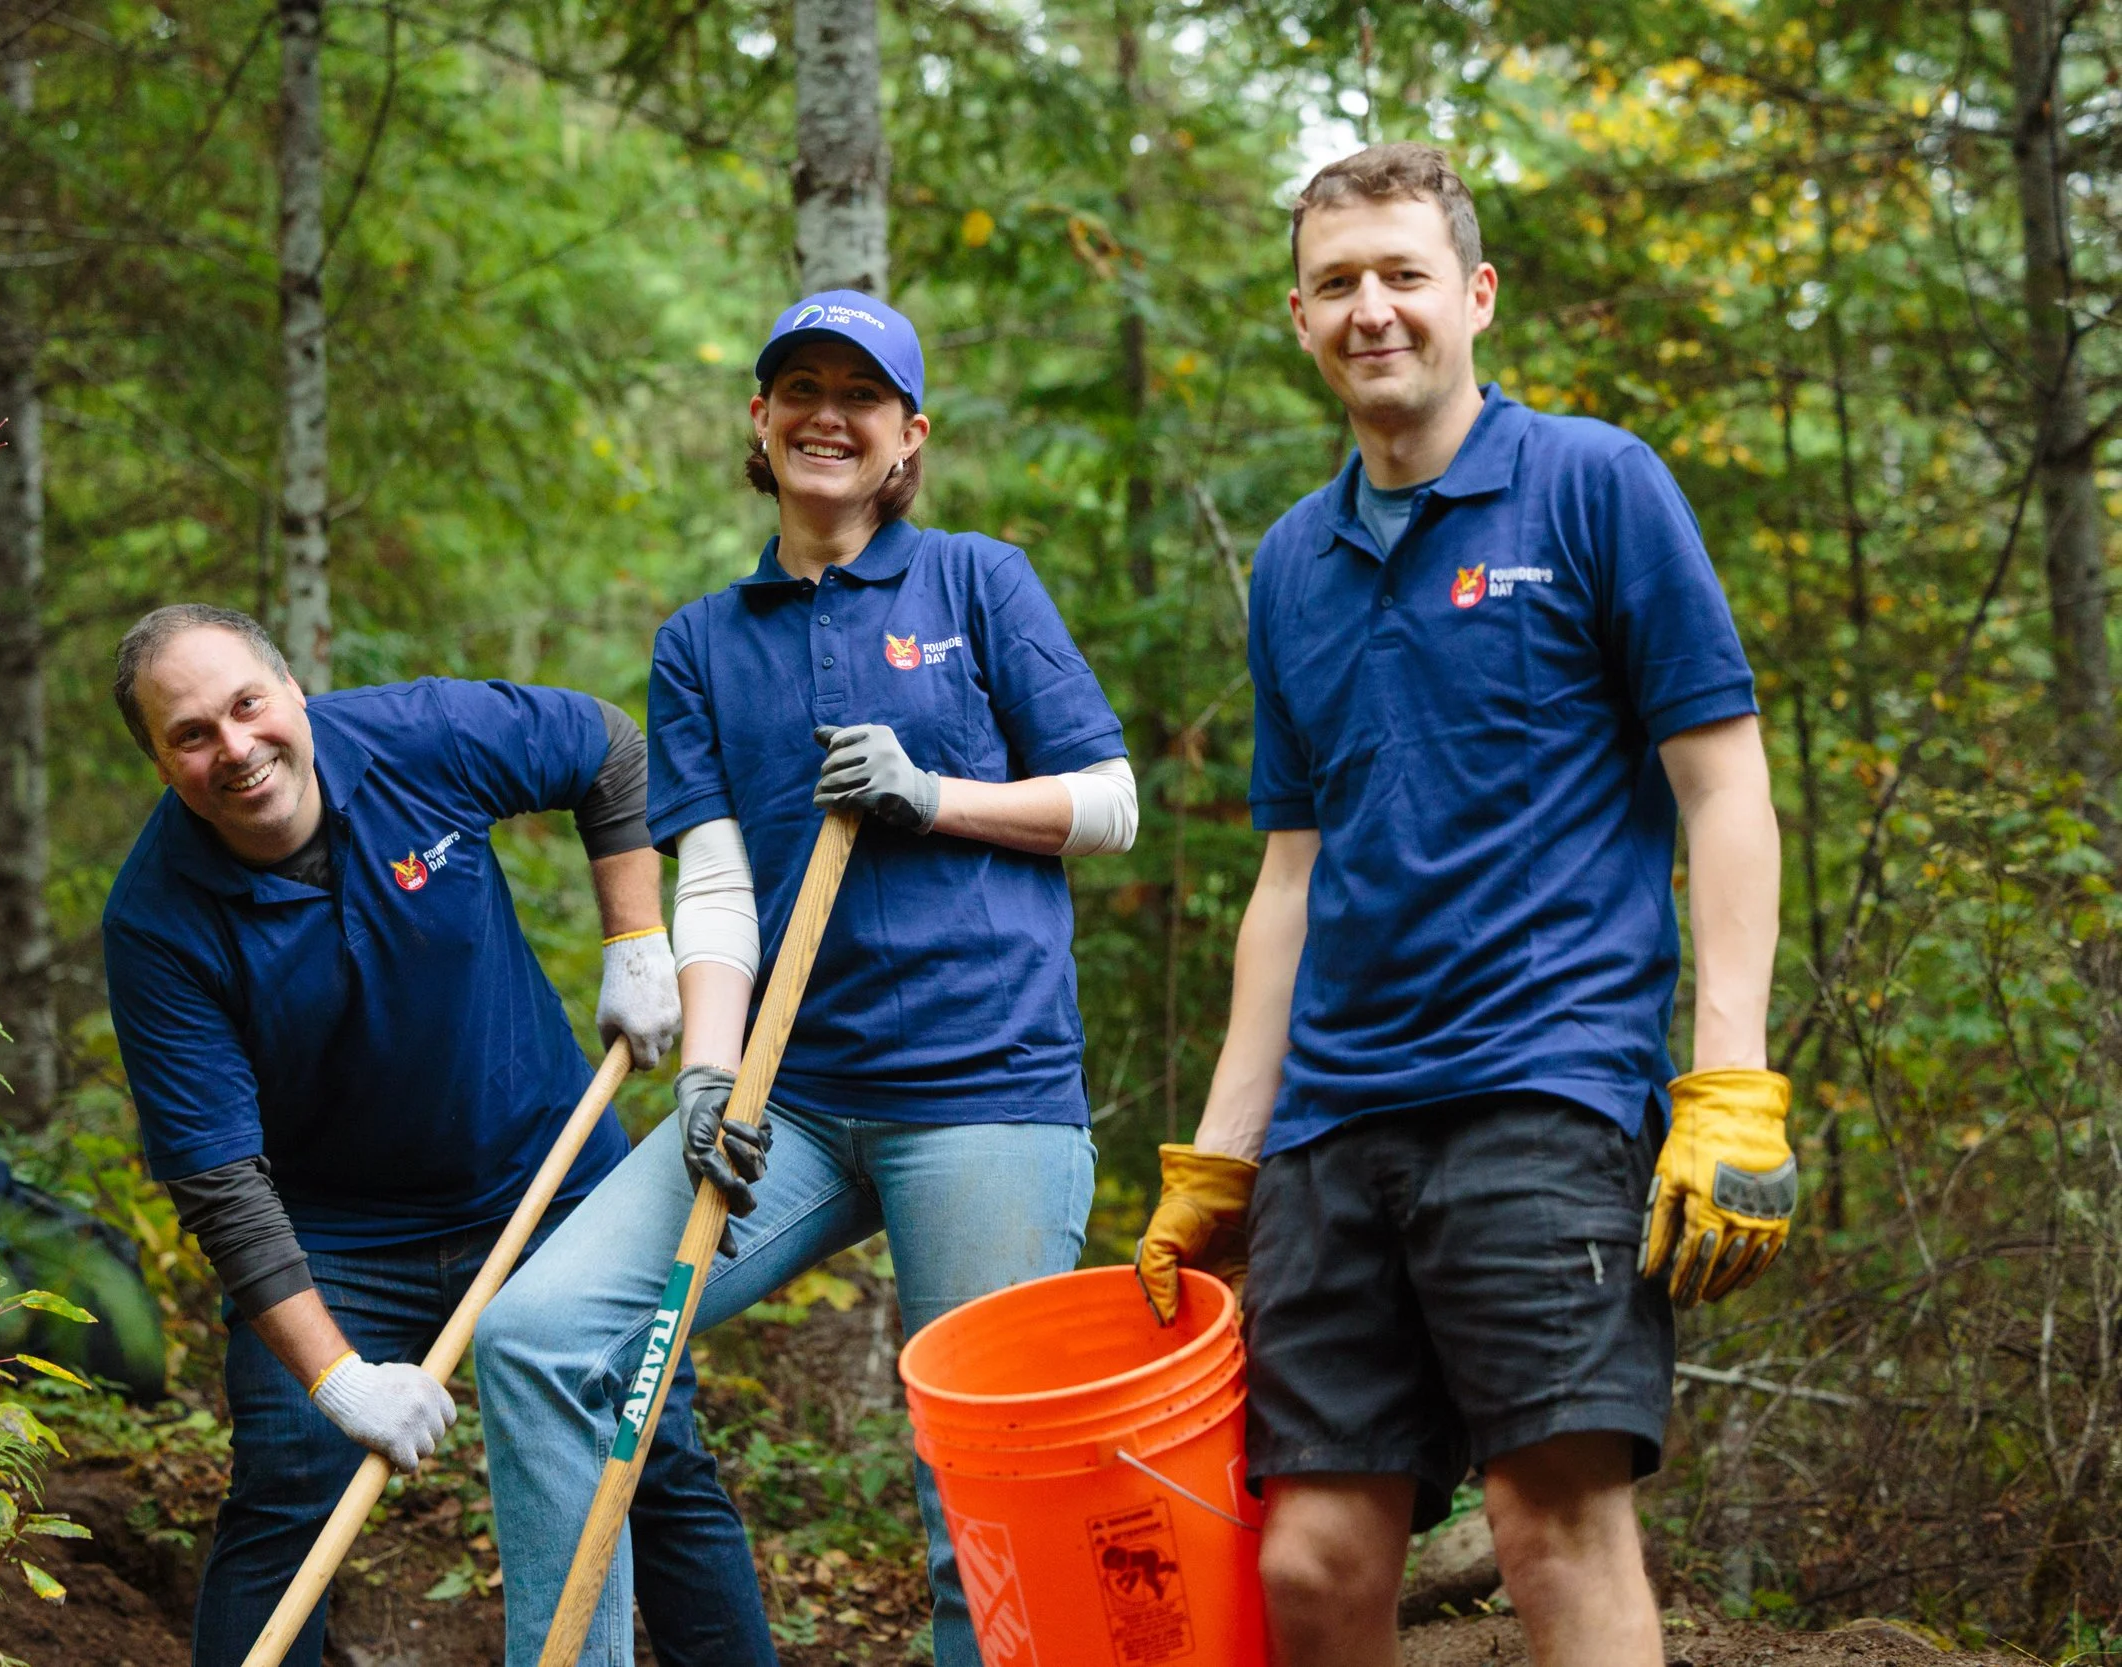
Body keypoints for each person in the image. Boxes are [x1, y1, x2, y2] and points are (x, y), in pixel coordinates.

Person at [1133, 144, 1789, 1667]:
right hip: (1331, 1124)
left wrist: (1734, 1077)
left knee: (1553, 1520)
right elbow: (1289, 876)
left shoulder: (1594, 485)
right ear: (1300, 316)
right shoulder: (1293, 562)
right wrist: (1223, 1156)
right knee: (1310, 1554)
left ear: (1474, 296)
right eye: (1338, 282)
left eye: (1404, 274)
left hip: (1544, 1089)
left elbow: (1724, 784)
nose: (1374, 309)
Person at [475, 290, 1137, 1667]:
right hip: (794, 1092)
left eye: (862, 393)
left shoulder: (978, 582)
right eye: (800, 389)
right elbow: (714, 882)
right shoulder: (703, 641)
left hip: (985, 1093)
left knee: (981, 1480)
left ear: (907, 437)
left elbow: (1111, 802)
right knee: (542, 1334)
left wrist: (933, 792)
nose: (827, 413)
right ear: (760, 422)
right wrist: (713, 1068)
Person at [99, 605, 776, 1667]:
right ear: (159, 759)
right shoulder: (155, 921)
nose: (235, 747)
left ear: (291, 689)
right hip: (335, 1233)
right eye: (190, 734)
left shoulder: (420, 738)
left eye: (246, 704)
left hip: (547, 1181)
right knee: (285, 1489)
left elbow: (608, 748)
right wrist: (338, 1381)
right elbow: (221, 1183)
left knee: (651, 1452)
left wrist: (637, 935)